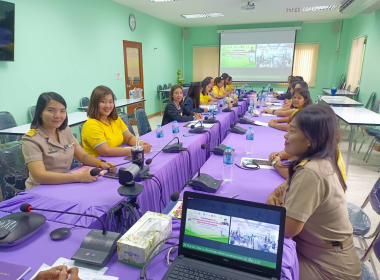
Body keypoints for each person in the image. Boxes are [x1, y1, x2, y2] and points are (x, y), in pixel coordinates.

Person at [266, 105, 361, 280]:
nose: (286, 135)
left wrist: (270, 210)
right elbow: (289, 187)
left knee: (260, 267)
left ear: (310, 140)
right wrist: (276, 194)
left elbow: (288, 230)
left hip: (328, 265)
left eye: (292, 131)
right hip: (320, 251)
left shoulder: (311, 171)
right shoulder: (318, 158)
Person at [22, 92, 116, 190]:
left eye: (62, 111)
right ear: (40, 113)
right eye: (51, 110)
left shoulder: (65, 130)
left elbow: (83, 156)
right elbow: (39, 176)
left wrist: (100, 163)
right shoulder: (31, 139)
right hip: (41, 189)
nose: (58, 115)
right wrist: (78, 177)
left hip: (65, 183)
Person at [81, 86, 151, 158]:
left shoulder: (115, 119)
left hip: (116, 158)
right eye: (103, 102)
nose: (108, 105)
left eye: (111, 102)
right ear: (95, 103)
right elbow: (106, 151)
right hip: (98, 165)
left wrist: (141, 143)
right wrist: (135, 150)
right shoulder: (91, 125)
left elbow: (129, 138)